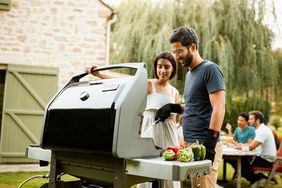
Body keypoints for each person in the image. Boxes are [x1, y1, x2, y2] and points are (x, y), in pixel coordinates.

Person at [85, 51, 181, 188]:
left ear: (173, 69)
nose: (162, 70)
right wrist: (98, 74)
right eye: (159, 66)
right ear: (155, 67)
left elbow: (173, 120)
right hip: (151, 136)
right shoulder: (148, 85)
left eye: (167, 67)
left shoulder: (174, 92)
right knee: (149, 173)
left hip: (170, 138)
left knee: (170, 177)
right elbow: (125, 82)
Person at [155, 26, 226, 188]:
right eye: (174, 52)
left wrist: (210, 144)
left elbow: (219, 108)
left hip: (203, 144)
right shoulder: (190, 74)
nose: (176, 56)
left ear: (193, 47)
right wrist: (173, 108)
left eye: (179, 51)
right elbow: (194, 106)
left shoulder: (210, 69)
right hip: (188, 143)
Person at [237, 111, 277, 186]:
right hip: (262, 157)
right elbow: (252, 144)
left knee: (241, 165)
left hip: (266, 160)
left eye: (251, 119)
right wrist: (242, 145)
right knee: (240, 162)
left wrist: (241, 147)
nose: (249, 121)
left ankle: (258, 179)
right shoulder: (259, 130)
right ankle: (258, 179)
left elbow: (251, 147)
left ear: (258, 120)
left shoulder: (263, 131)